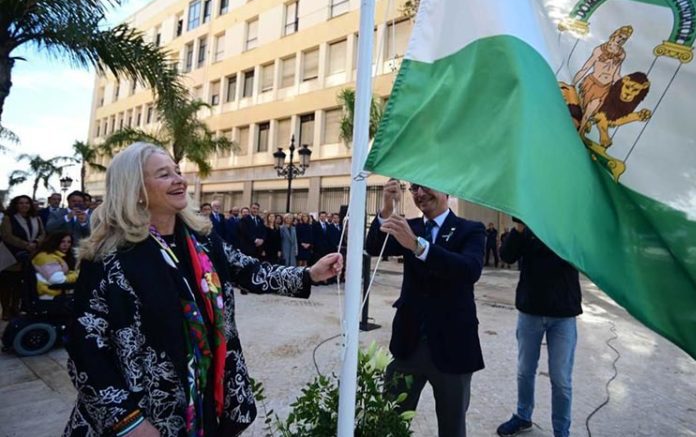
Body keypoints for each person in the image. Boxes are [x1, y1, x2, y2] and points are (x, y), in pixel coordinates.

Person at [63, 142, 342, 437]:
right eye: (164, 174)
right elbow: (85, 346)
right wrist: (127, 421)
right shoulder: (109, 256)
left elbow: (249, 270)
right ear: (135, 189)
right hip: (144, 414)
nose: (179, 180)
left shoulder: (203, 240)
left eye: (177, 171)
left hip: (205, 400)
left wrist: (309, 274)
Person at [365, 179, 485, 437]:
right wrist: (386, 208)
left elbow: (469, 270)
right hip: (409, 345)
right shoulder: (411, 226)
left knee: (452, 428)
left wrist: (419, 247)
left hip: (453, 348)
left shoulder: (470, 229)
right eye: (414, 188)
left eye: (426, 185)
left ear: (447, 189)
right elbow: (374, 247)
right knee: (389, 423)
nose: (419, 193)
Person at [496, 219, 582, 437]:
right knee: (525, 371)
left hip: (563, 314)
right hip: (530, 311)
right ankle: (523, 416)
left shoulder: (570, 223)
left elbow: (585, 254)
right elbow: (506, 255)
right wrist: (519, 228)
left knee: (561, 379)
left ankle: (562, 432)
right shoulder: (529, 224)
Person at [1, 195, 47, 320]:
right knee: (7, 285)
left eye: (27, 203)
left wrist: (36, 243)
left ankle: (16, 308)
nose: (24, 205)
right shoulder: (8, 218)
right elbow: (7, 236)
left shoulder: (36, 218)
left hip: (29, 257)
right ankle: (5, 310)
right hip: (11, 256)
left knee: (20, 285)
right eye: (21, 203)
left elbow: (43, 233)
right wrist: (26, 245)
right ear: (15, 205)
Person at [32, 231, 77, 299]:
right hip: (48, 295)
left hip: (54, 294)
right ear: (54, 242)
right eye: (62, 241)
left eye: (69, 242)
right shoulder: (45, 257)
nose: (66, 245)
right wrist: (77, 275)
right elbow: (57, 280)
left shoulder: (57, 256)